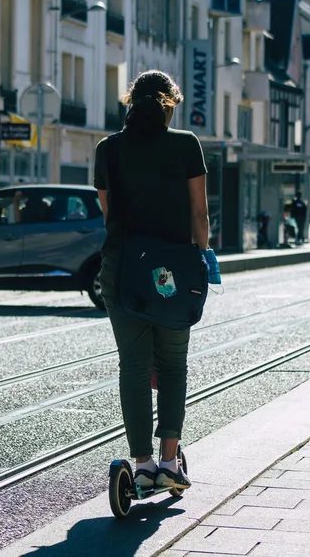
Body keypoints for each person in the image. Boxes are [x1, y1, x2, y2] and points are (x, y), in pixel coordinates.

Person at [94, 70, 209, 491]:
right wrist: (205, 257)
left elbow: (109, 216)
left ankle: (141, 464)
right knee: (173, 366)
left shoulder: (108, 149)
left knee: (135, 368)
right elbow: (199, 213)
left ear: (130, 102)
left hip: (123, 271)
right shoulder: (185, 145)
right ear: (170, 104)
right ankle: (169, 463)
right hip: (175, 274)